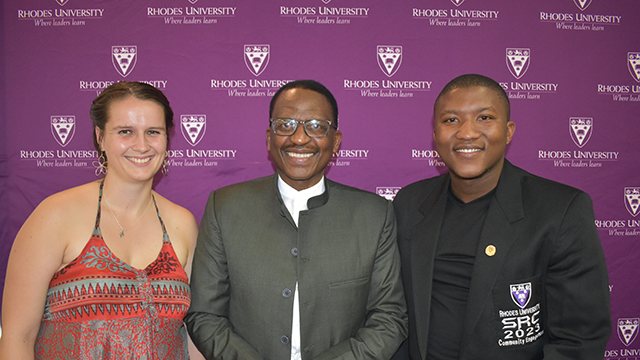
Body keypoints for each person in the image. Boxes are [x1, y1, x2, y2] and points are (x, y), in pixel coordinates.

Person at [391, 74, 611, 360]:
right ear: (435, 135)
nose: (467, 133)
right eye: (450, 120)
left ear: (508, 132)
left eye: (484, 118)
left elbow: (580, 339)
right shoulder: (409, 203)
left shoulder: (561, 210)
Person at [186, 80, 408, 360]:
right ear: (269, 138)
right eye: (285, 124)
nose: (300, 138)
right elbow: (205, 315)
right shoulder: (225, 207)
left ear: (335, 140)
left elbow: (389, 318)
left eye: (316, 126)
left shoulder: (374, 215)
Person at [0, 81, 198, 359]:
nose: (141, 145)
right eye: (125, 132)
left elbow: (187, 335)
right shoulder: (56, 215)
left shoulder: (182, 224)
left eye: (153, 132)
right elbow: (17, 338)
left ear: (166, 139)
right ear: (101, 137)